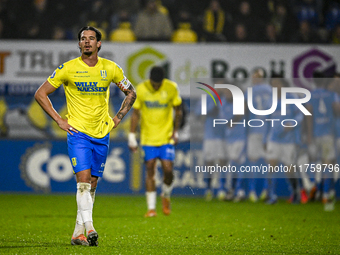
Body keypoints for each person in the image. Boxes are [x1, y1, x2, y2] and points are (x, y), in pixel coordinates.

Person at [34, 26, 136, 246]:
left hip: (101, 134)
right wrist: (59, 120)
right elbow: (40, 94)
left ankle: (77, 233)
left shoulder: (110, 68)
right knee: (83, 184)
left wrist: (117, 118)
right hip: (78, 133)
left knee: (92, 183)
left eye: (91, 39)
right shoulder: (68, 69)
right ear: (79, 44)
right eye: (83, 39)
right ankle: (90, 229)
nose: (87, 42)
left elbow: (131, 92)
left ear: (99, 44)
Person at [128, 66, 182, 217]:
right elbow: (135, 113)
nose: (156, 86)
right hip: (148, 137)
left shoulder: (171, 88)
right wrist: (132, 135)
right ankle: (151, 208)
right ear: (149, 80)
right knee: (150, 168)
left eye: (158, 84)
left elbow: (178, 110)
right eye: (154, 84)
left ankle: (166, 195)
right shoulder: (141, 88)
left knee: (168, 170)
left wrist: (176, 131)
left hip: (166, 136)